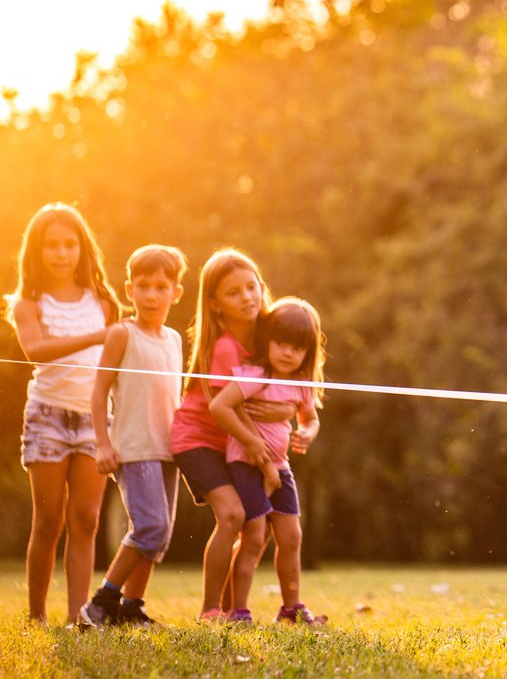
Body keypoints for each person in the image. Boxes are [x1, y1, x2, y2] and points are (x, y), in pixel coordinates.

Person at [4, 203, 123, 625]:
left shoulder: (104, 303)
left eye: (69, 244)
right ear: (35, 252)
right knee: (49, 518)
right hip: (48, 417)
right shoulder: (27, 304)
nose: (61, 253)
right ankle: (37, 615)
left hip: (94, 420)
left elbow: (117, 362)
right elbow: (34, 350)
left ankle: (79, 617)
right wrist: (95, 336)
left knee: (86, 519)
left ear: (82, 249)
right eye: (51, 246)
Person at [171, 248, 295, 621]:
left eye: (251, 286)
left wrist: (289, 412)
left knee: (257, 528)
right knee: (232, 515)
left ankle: (231, 609)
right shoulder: (225, 347)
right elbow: (232, 408)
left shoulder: (269, 340)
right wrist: (259, 444)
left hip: (235, 442)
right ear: (215, 304)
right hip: (199, 439)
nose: (247, 297)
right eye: (233, 292)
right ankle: (210, 610)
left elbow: (283, 387)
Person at [78, 245, 187, 628]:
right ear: (129, 290)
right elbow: (98, 391)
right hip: (134, 448)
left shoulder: (174, 339)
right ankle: (100, 602)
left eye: (161, 286)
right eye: (143, 286)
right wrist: (103, 443)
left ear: (176, 292)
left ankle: (132, 607)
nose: (152, 295)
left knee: (159, 536)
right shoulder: (122, 334)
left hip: (168, 449)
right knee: (149, 527)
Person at [208, 296, 325, 624]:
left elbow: (311, 418)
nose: (288, 353)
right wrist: (249, 440)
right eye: (282, 343)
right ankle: (238, 611)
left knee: (292, 537)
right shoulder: (255, 375)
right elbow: (219, 406)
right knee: (255, 537)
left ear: (308, 352)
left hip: (280, 467)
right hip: (245, 465)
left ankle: (290, 608)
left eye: (298, 348)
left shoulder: (300, 383)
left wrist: (307, 433)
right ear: (268, 341)